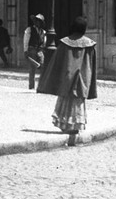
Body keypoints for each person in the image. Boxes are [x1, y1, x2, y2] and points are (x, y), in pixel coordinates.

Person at [37, 15, 98, 146]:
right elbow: (92, 66)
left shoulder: (64, 43)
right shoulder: (89, 44)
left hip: (66, 78)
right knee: (77, 102)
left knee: (65, 101)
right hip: (82, 80)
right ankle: (76, 126)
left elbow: (56, 63)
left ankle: (65, 125)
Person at [23, 14, 46, 90]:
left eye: (39, 21)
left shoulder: (43, 32)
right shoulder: (29, 29)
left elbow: (44, 42)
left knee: (42, 67)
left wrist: (42, 49)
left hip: (40, 50)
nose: (37, 22)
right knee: (32, 69)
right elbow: (26, 40)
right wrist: (25, 50)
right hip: (32, 49)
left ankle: (41, 86)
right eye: (36, 20)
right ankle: (31, 86)